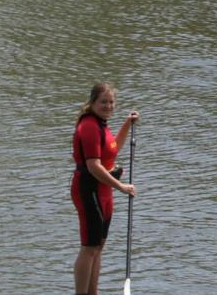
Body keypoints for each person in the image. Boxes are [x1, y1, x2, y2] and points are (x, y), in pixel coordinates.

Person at [72, 82, 138, 295]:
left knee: (98, 246)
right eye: (103, 102)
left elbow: (112, 149)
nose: (108, 106)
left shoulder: (102, 124)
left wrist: (128, 123)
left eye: (111, 102)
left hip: (103, 191)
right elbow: (93, 165)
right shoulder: (89, 126)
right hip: (88, 190)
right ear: (92, 103)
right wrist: (121, 186)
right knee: (89, 248)